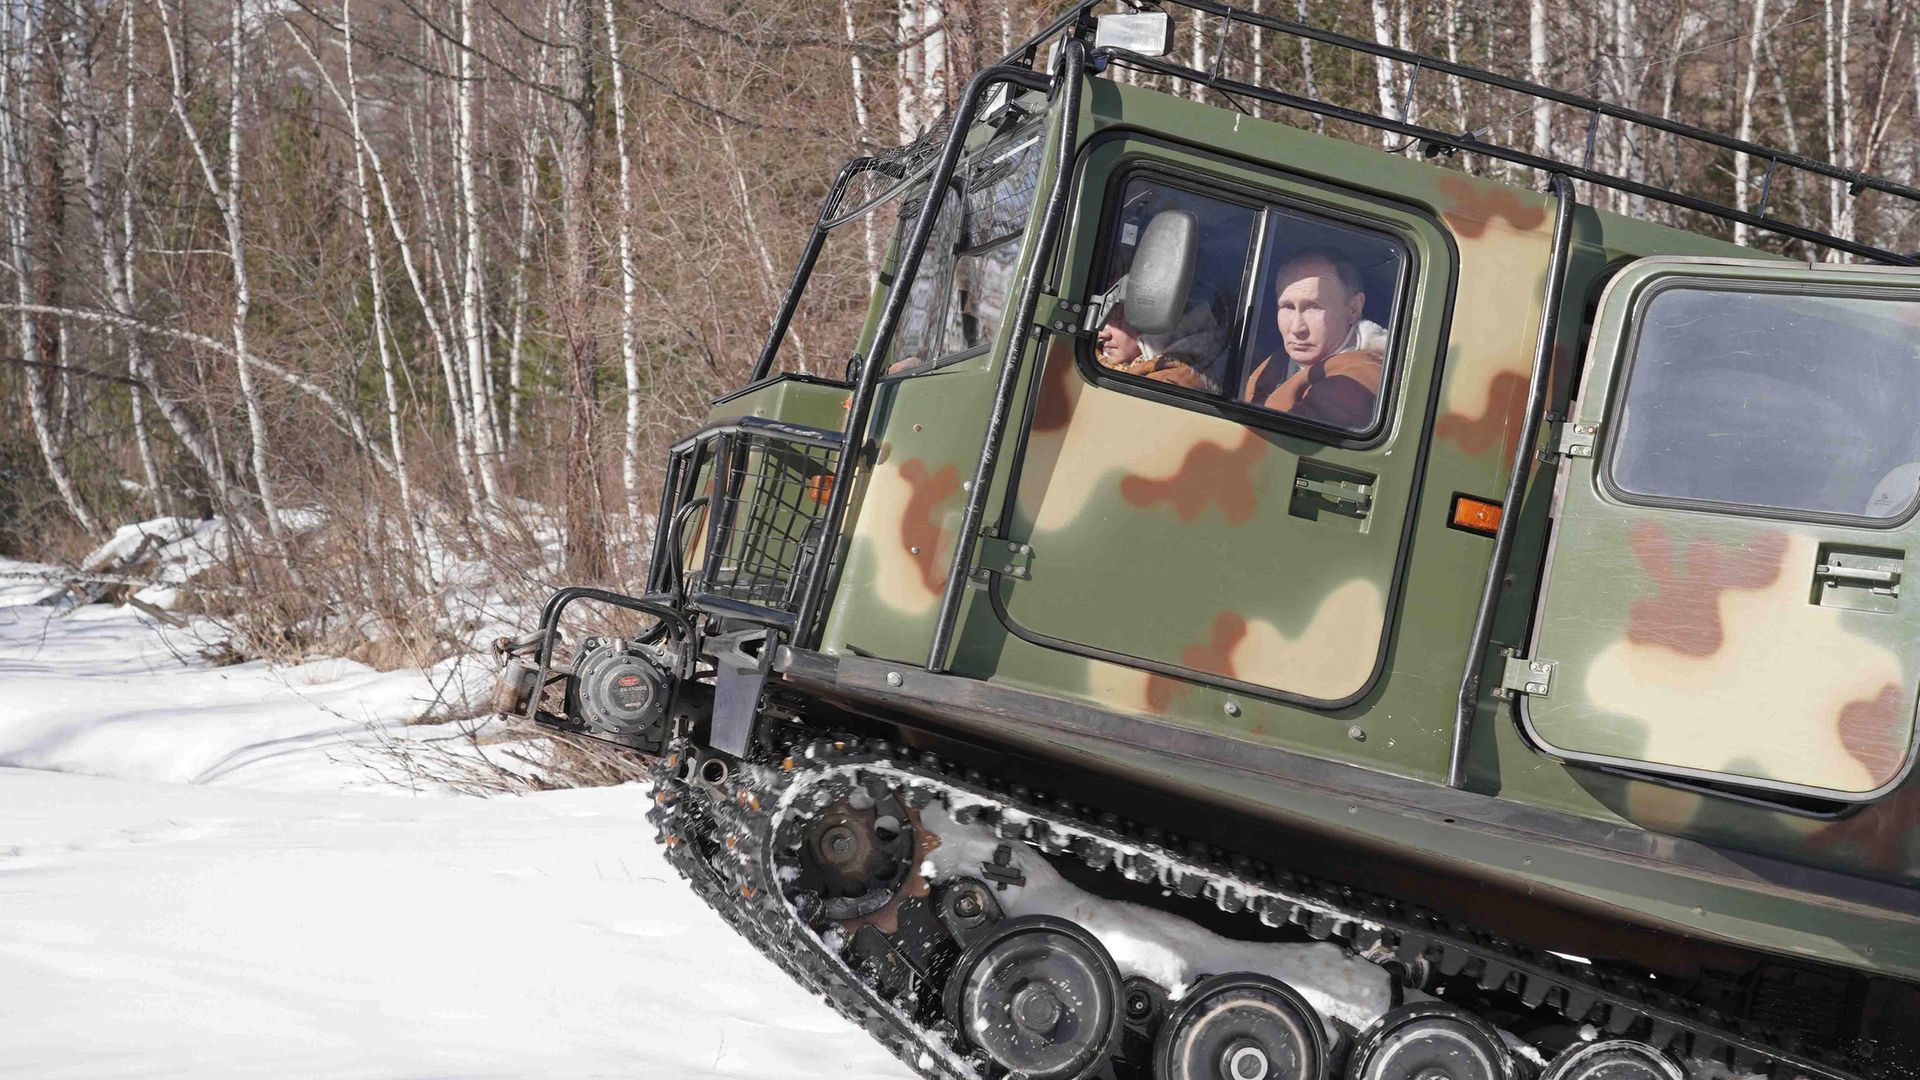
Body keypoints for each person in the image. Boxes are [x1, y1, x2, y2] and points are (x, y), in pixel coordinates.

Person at [1242, 249, 1388, 431]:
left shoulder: (1356, 381)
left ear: (1353, 309)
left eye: (1313, 307)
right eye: (1287, 307)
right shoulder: (1279, 362)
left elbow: (1269, 442)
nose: (1296, 329)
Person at [1094, 285, 1231, 394]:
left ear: (1154, 325)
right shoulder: (1139, 366)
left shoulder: (1170, 381)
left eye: (1114, 319)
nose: (1101, 334)